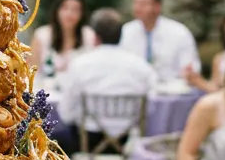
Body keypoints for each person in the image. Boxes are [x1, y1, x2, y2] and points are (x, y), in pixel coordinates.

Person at [59, 7, 158, 140]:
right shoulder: (142, 66)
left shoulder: (80, 65)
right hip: (127, 140)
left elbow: (66, 113)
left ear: (95, 37)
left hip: (88, 139)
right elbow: (151, 107)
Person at [120, 0, 200, 80]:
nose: (137, 7)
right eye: (135, 2)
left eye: (143, 3)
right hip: (135, 88)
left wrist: (188, 72)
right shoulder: (126, 31)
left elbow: (191, 67)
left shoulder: (179, 33)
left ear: (157, 6)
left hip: (171, 89)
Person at [28, 0, 95, 73]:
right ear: (57, 10)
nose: (69, 14)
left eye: (75, 9)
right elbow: (31, 71)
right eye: (65, 8)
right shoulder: (42, 35)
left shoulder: (89, 36)